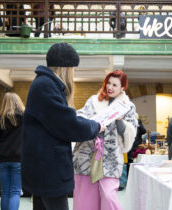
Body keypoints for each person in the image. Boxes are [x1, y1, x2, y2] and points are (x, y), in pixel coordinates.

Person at [21, 42, 104, 210]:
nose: (74, 72)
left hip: (42, 166)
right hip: (48, 168)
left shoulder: (44, 84)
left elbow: (60, 120)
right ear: (65, 68)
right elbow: (68, 124)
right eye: (73, 68)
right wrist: (96, 126)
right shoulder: (45, 86)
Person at [73, 70, 137, 210]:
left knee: (109, 196)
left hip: (111, 158)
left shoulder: (128, 107)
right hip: (87, 155)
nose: (110, 87)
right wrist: (94, 124)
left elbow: (129, 135)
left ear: (122, 87)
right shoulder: (93, 101)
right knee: (86, 200)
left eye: (115, 85)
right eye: (108, 83)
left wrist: (119, 120)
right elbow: (80, 119)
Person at [0, 92, 24, 210]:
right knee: (15, 191)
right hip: (18, 158)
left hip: (2, 159)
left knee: (5, 191)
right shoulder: (24, 118)